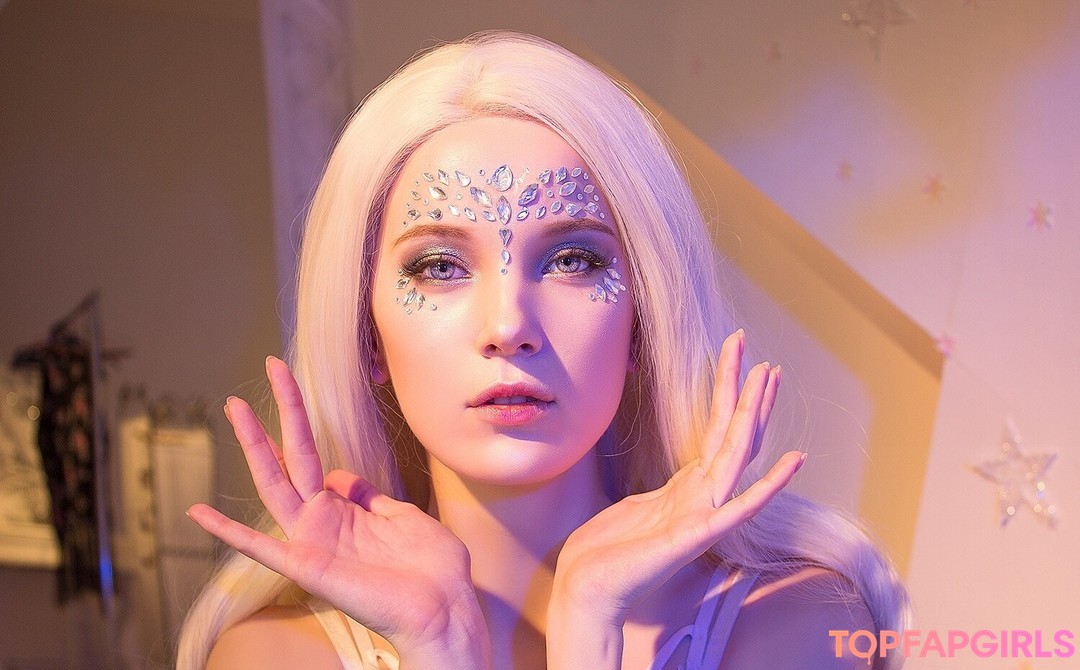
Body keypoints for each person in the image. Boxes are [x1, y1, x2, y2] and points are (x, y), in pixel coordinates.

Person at [177, 31, 909, 670]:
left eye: (571, 260)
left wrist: (591, 620)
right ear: (365, 334)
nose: (508, 325)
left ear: (644, 318)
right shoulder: (272, 657)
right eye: (440, 267)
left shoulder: (791, 626)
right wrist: (439, 647)